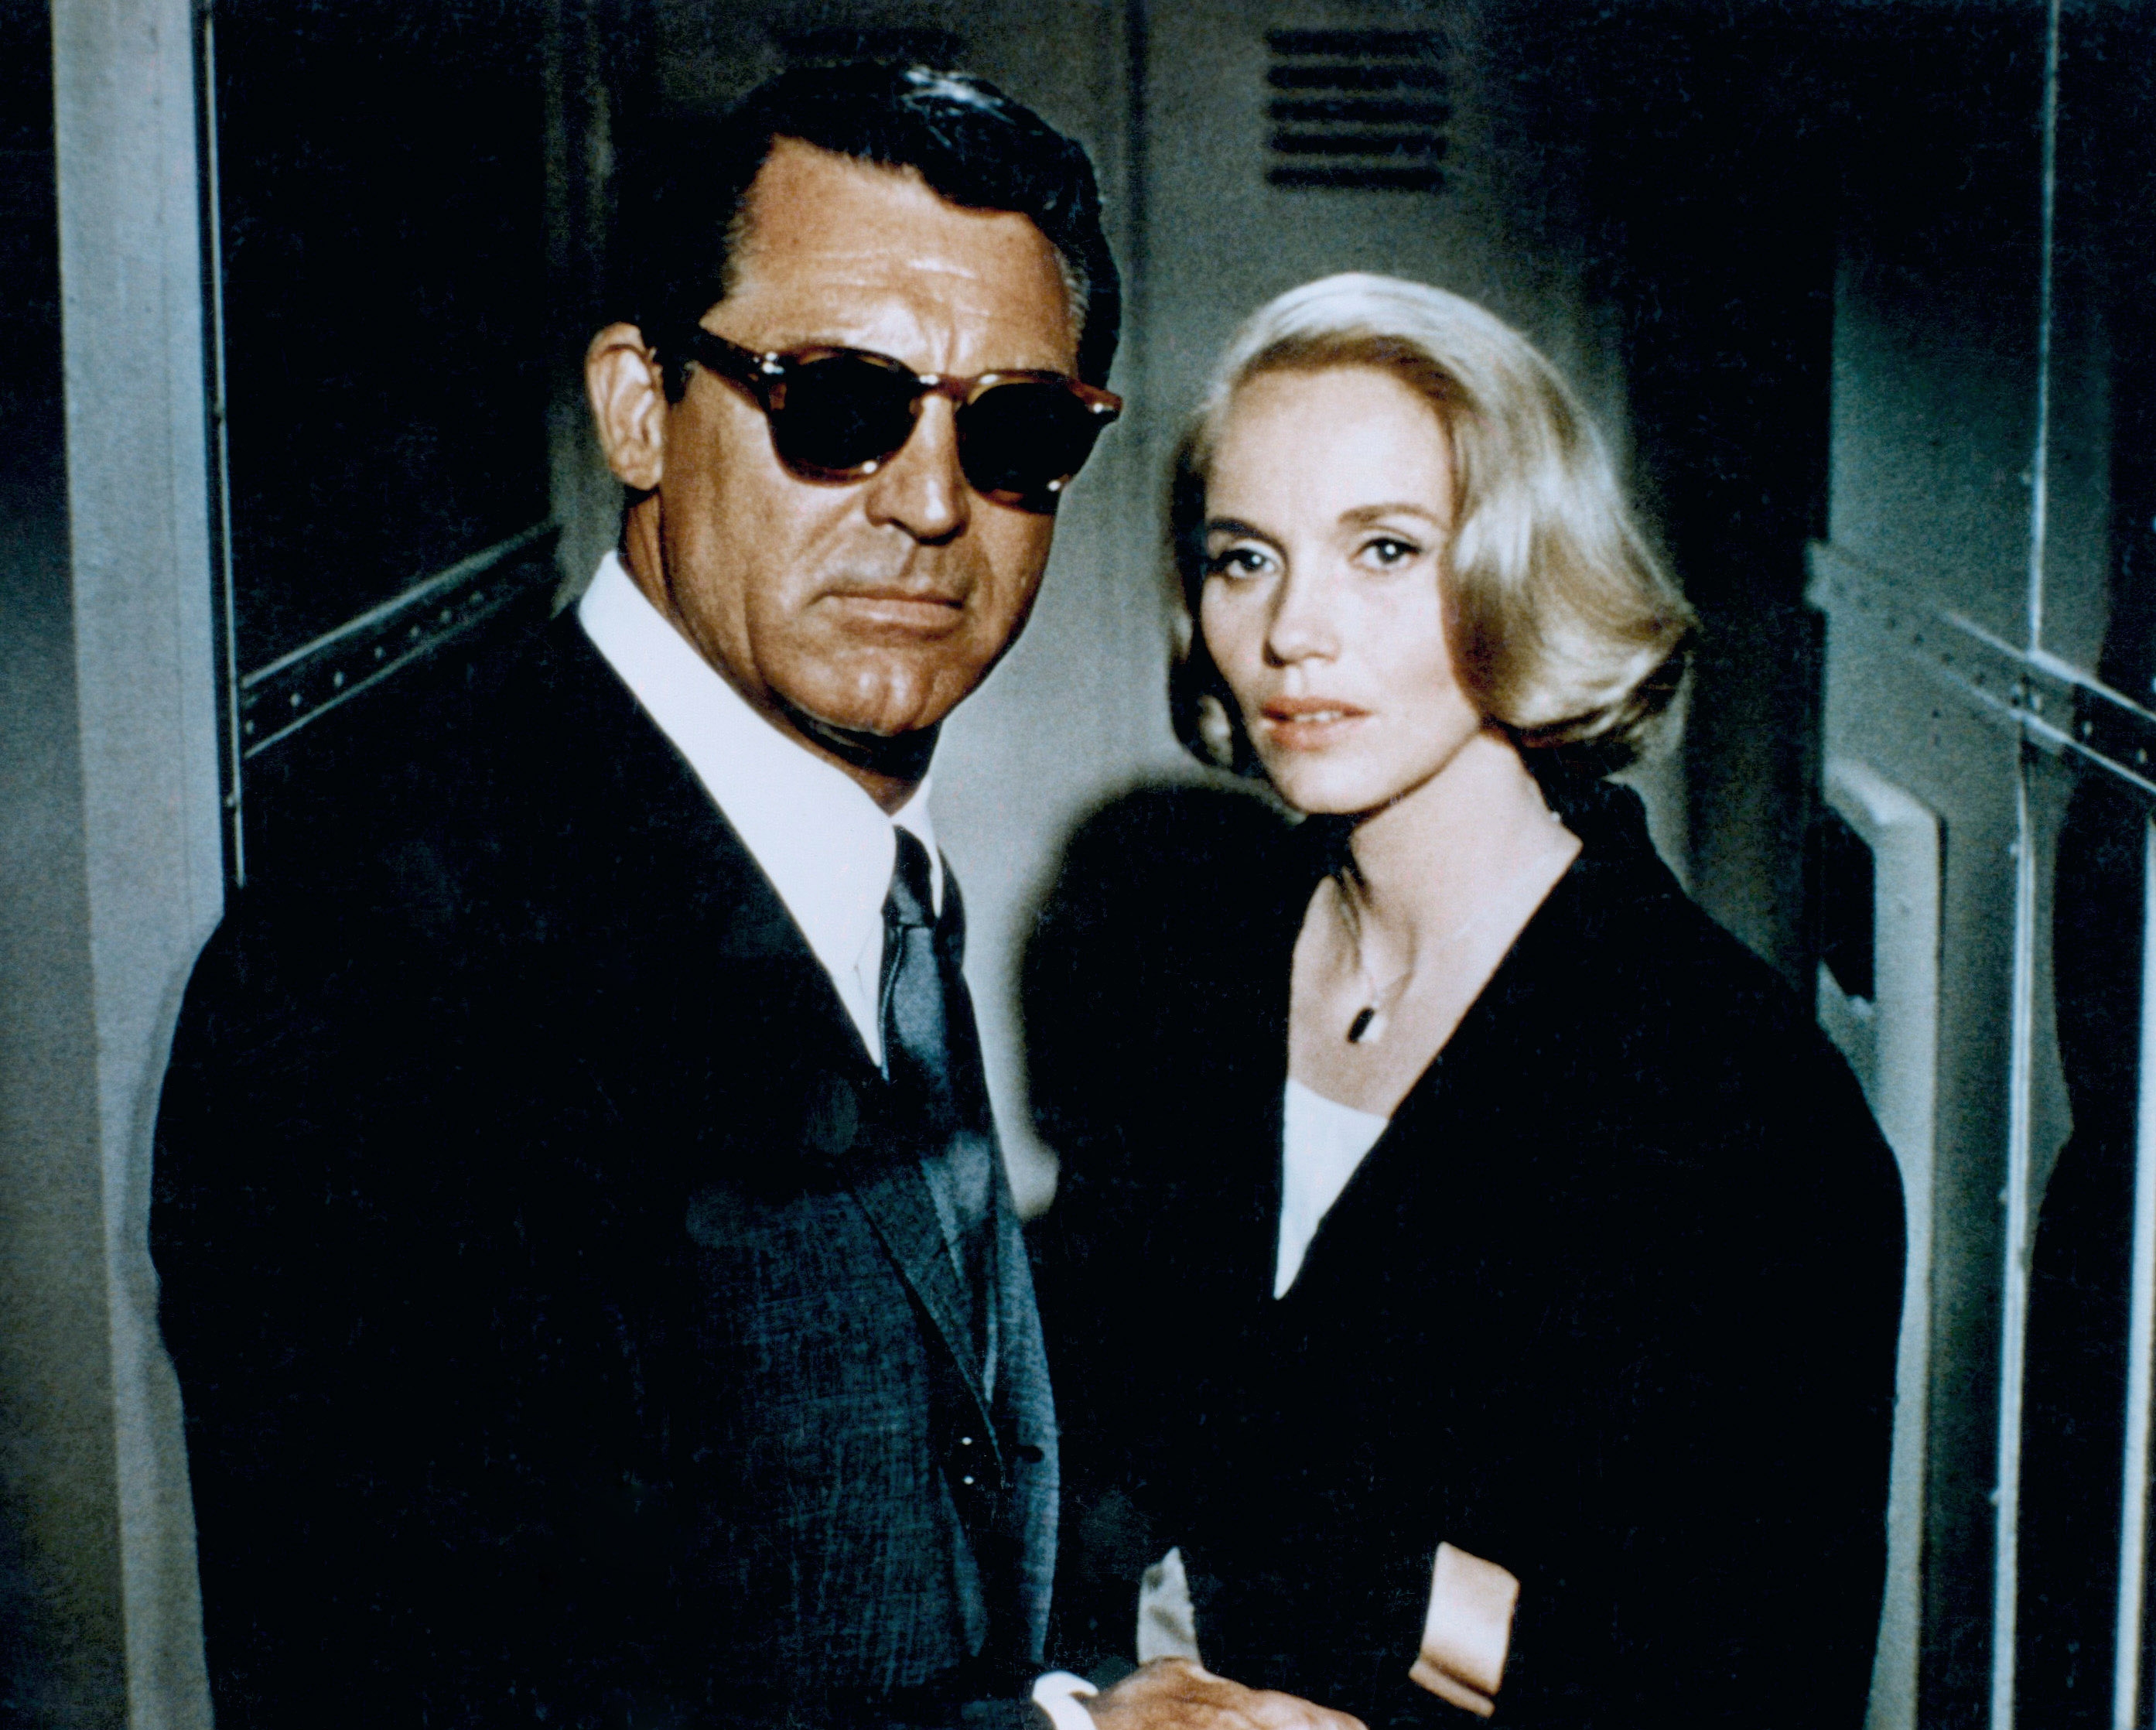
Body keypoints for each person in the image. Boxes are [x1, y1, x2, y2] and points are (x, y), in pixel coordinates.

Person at [152, 63, 1355, 1730]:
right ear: (638, 407)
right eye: (837, 404)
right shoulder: (387, 975)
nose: (928, 502)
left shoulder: (855, 869)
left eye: (1012, 431)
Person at [1029, 273, 1907, 1727]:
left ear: (1522, 574)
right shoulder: (1195, 976)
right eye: (1244, 558)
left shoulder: (1732, 1093)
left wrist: (1334, 1549)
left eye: (1384, 549)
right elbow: (1081, 1462)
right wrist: (1102, 1692)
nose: (1294, 631)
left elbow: (1758, 1684)